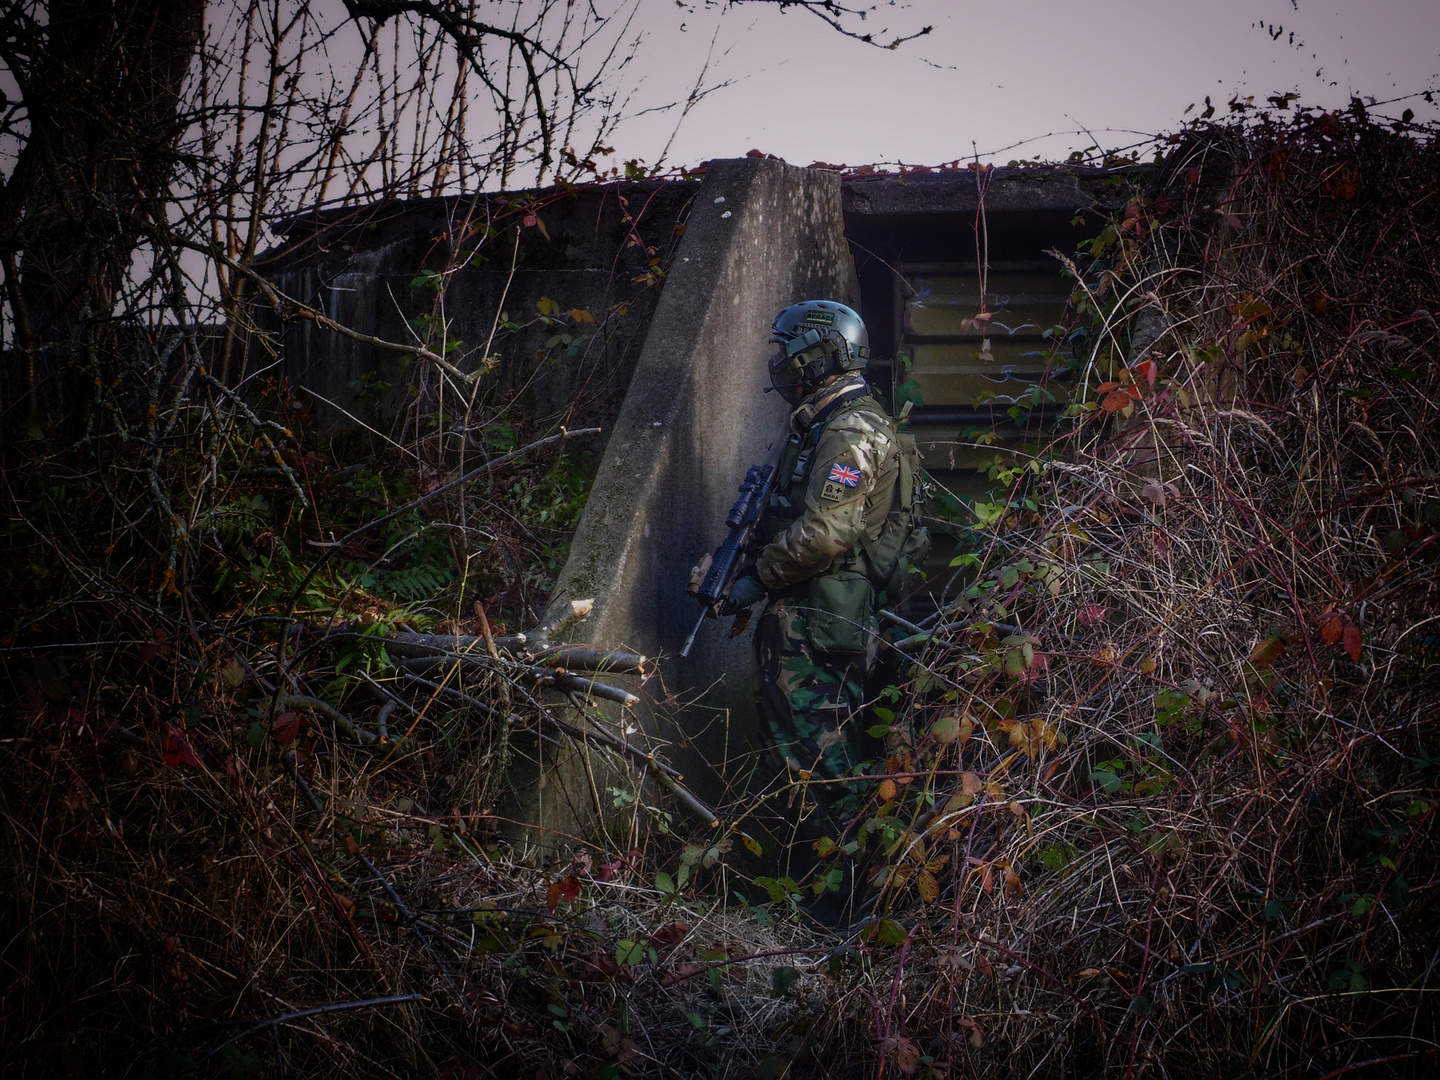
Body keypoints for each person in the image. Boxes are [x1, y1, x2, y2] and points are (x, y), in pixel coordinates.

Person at [718, 299, 927, 818]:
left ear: (821, 356)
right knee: (797, 766)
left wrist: (754, 578)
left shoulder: (850, 431)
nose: (780, 365)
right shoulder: (827, 423)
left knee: (821, 775)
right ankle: (805, 893)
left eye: (787, 353)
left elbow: (825, 535)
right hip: (819, 616)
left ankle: (835, 898)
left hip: (820, 622)